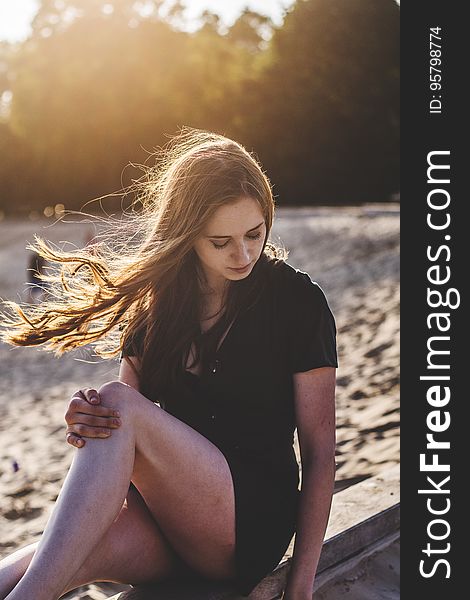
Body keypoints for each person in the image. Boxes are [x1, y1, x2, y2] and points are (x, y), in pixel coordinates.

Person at [0, 130, 337, 600]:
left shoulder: (298, 302)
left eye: (254, 234)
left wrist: (299, 590)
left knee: (119, 404)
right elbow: (124, 438)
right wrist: (87, 420)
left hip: (248, 525)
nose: (243, 255)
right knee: (40, 560)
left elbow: (320, 454)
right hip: (167, 524)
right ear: (187, 234)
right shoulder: (157, 307)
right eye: (221, 241)